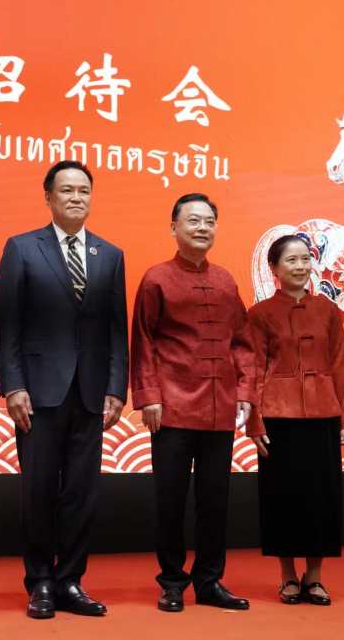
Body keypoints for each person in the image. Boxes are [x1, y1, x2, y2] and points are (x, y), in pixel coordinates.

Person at [0, 160, 128, 619]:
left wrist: (116, 387)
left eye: (83, 190)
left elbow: (116, 330)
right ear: (48, 196)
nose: (76, 197)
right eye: (67, 190)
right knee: (38, 492)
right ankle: (41, 583)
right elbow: (7, 323)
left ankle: (71, 580)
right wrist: (13, 385)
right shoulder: (22, 248)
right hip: (38, 393)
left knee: (81, 493)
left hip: (90, 393)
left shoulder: (110, 255)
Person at [130, 193, 255, 613]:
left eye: (209, 222)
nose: (203, 228)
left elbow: (242, 342)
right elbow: (143, 341)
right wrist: (148, 396)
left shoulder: (226, 281)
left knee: (214, 501)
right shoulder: (156, 279)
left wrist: (245, 392)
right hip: (172, 408)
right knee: (170, 501)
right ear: (174, 228)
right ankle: (171, 582)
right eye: (193, 221)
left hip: (220, 409)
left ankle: (209, 581)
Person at [240, 234, 344, 606]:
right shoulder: (260, 314)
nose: (301, 266)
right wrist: (254, 421)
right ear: (274, 268)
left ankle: (315, 577)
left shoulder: (328, 311)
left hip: (323, 413)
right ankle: (287, 576)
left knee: (322, 496)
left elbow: (341, 364)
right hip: (278, 416)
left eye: (305, 258)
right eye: (291, 260)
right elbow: (254, 369)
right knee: (282, 497)